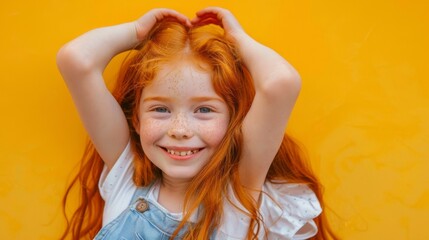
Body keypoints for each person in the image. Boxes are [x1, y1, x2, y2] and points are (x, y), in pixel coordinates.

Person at [57, 7, 336, 240]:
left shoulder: (239, 194)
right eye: (161, 109)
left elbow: (281, 84)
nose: (179, 130)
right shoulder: (125, 176)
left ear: (233, 121)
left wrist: (237, 40)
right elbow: (76, 61)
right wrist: (136, 33)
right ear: (137, 120)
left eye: (203, 110)